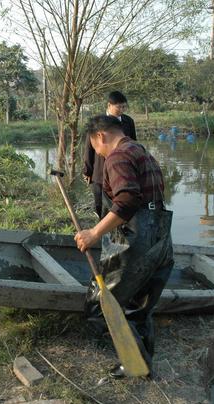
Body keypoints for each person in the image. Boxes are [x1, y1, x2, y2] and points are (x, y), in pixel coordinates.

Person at [75, 115, 173, 379]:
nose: (98, 153)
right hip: (161, 237)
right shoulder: (141, 151)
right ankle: (143, 364)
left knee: (101, 304)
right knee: (141, 305)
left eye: (95, 147)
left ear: (101, 136)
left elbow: (127, 200)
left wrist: (94, 233)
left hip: (137, 239)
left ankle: (135, 363)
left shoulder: (117, 156)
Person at [82, 91, 137, 218]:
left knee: (119, 207)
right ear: (109, 105)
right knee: (100, 207)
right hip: (100, 171)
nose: (121, 110)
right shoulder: (98, 123)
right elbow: (88, 148)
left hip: (121, 171)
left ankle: (116, 233)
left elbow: (133, 144)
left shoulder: (128, 121)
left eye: (124, 107)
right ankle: (101, 232)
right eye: (119, 107)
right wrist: (87, 171)